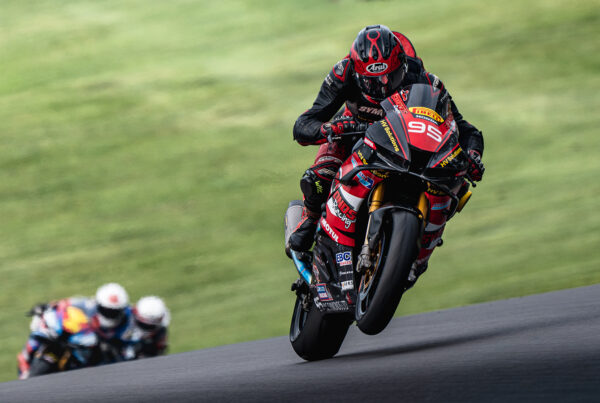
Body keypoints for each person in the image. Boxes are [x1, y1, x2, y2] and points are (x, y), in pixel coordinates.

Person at [288, 25, 484, 283]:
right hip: (353, 132)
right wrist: (330, 128)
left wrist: (472, 155)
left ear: (402, 66)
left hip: (403, 144)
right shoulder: (343, 72)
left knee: (451, 185)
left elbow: (465, 129)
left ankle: (419, 253)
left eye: (391, 78)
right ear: (358, 74)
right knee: (319, 177)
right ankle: (308, 222)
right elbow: (303, 124)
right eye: (372, 81)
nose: (383, 86)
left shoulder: (424, 80)